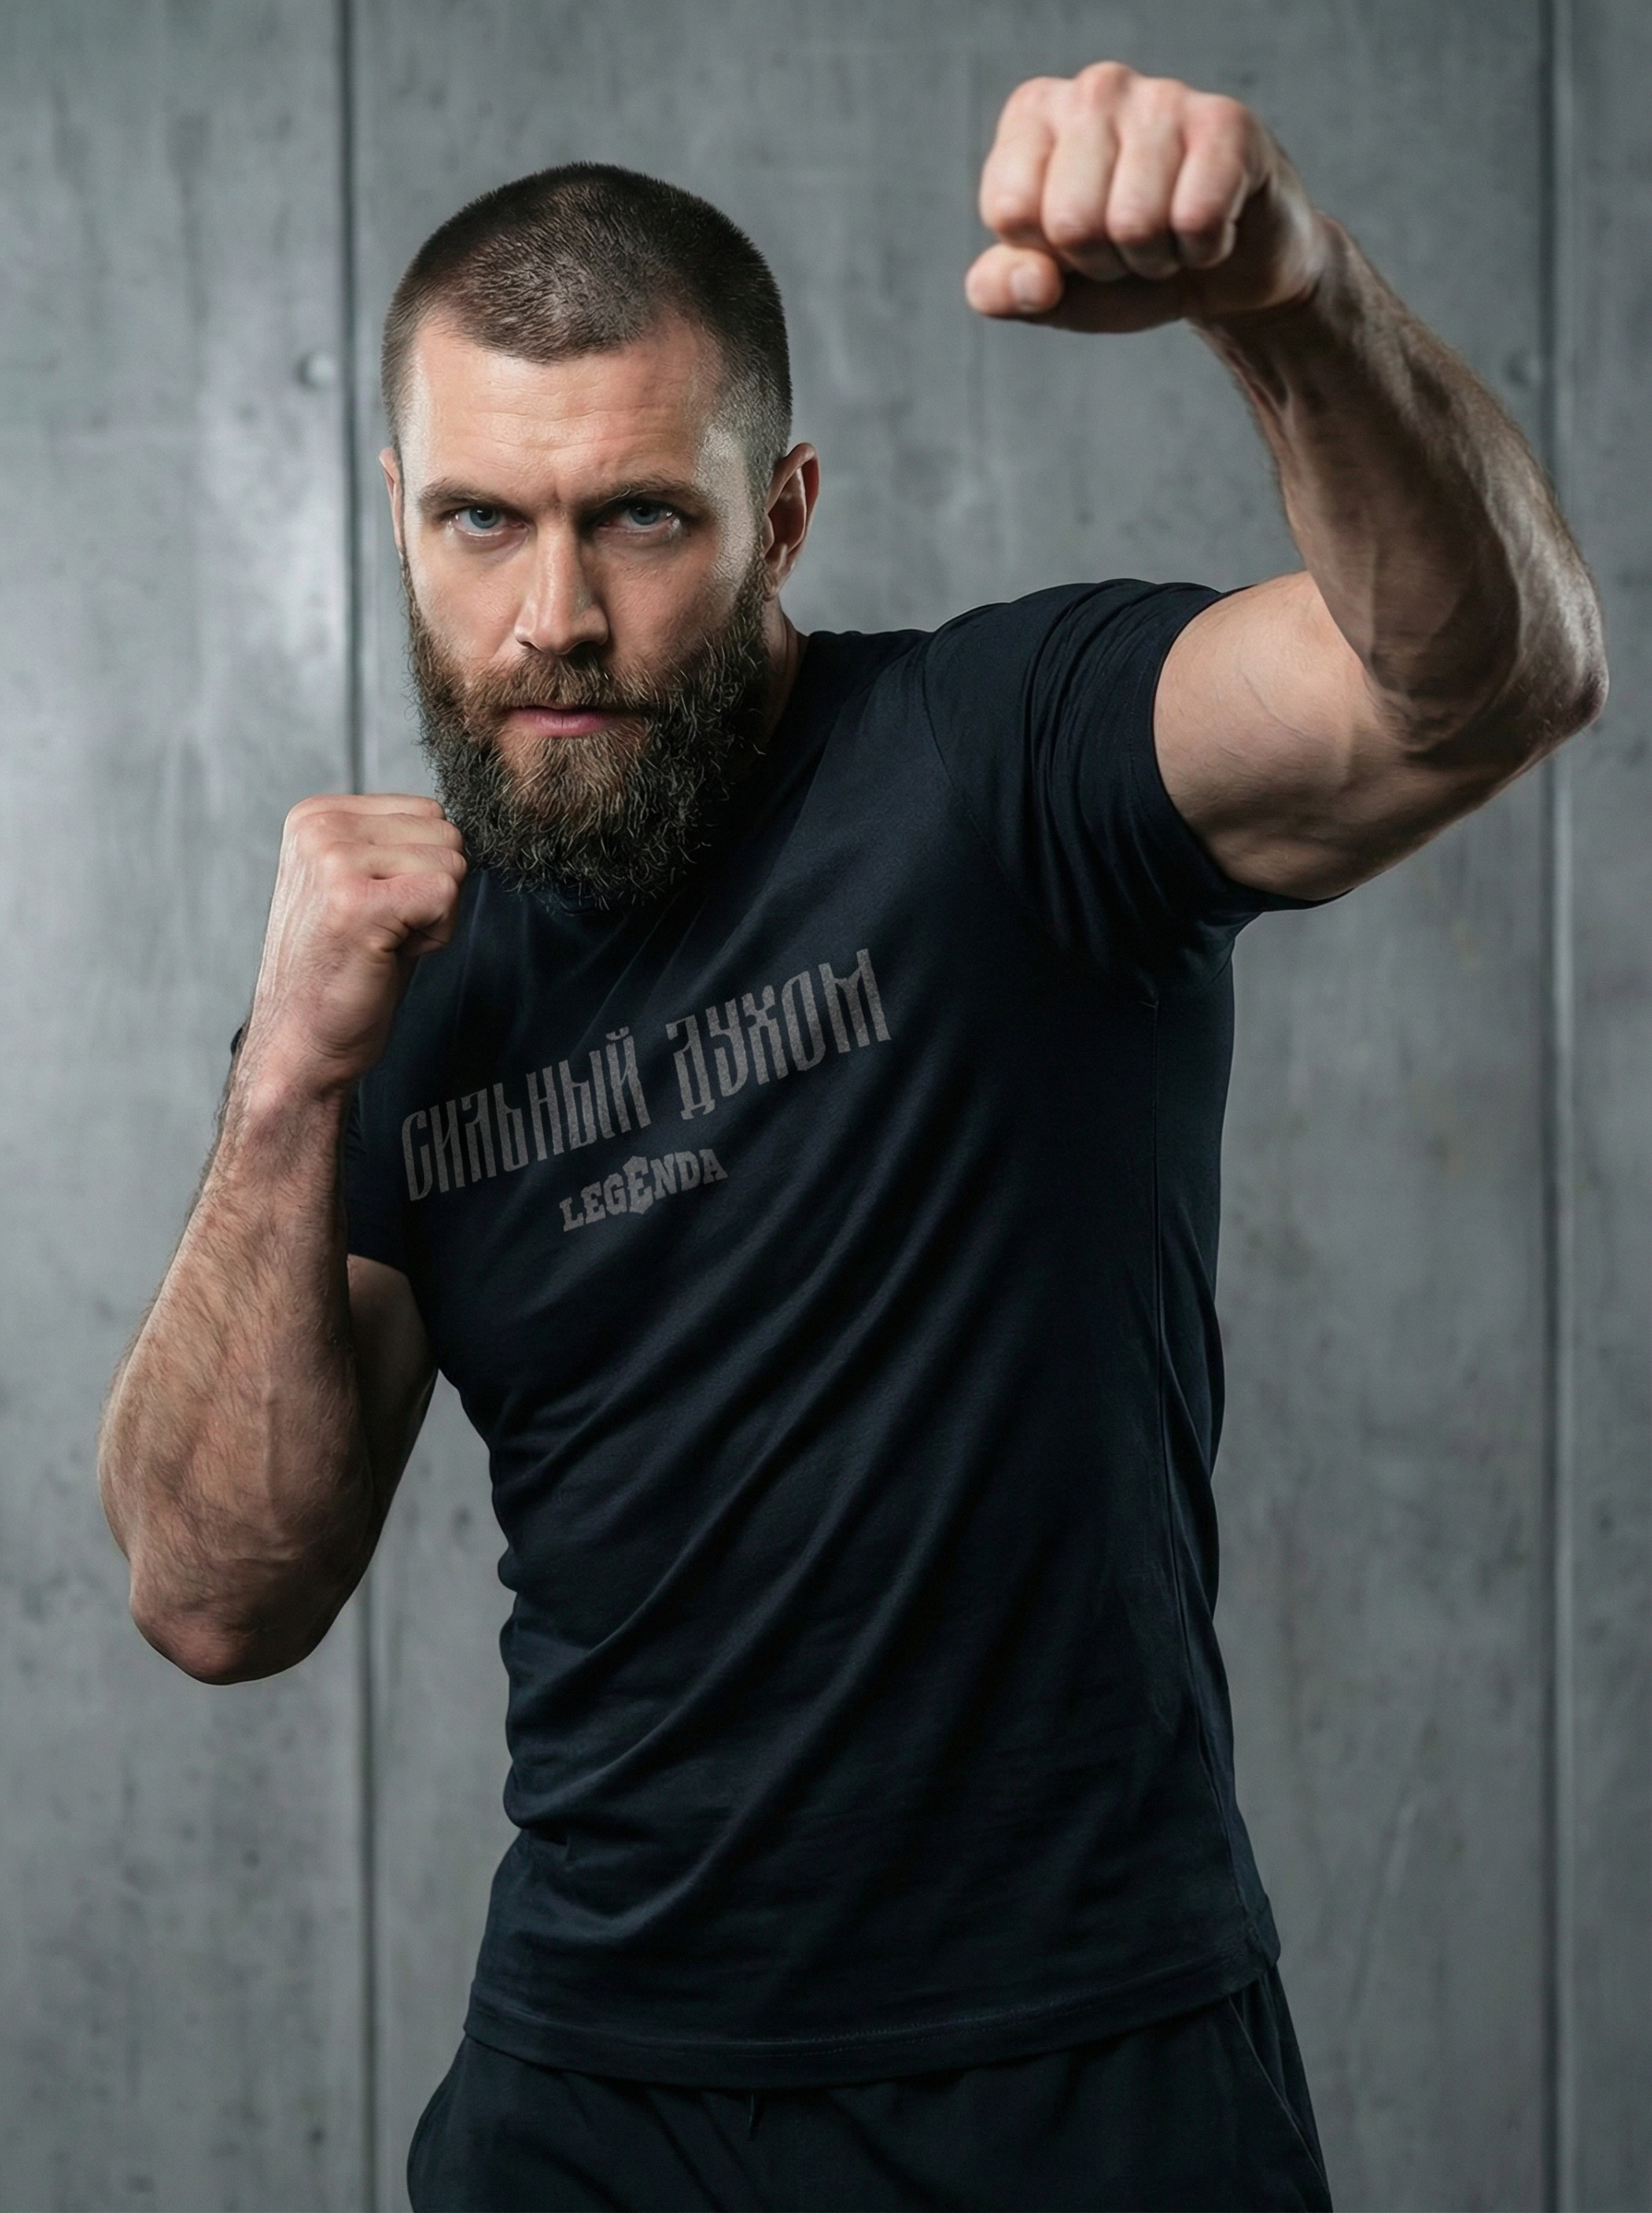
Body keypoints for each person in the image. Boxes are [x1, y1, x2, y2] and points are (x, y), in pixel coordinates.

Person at [98, 61, 1603, 2213]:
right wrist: (282, 1090)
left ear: (781, 515)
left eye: (640, 517)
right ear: (400, 510)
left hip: (1072, 2073)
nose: (552, 616)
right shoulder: (394, 992)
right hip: (590, 2100)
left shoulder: (1002, 765)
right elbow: (215, 1597)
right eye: (480, 522)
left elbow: (1479, 684)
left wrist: (1288, 298)